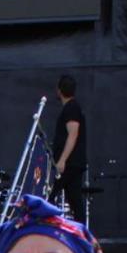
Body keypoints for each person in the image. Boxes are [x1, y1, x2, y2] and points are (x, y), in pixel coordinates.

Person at [51, 74, 87, 223]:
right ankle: (82, 236)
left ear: (59, 90)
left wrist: (62, 161)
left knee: (49, 194)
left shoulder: (71, 108)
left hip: (70, 164)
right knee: (75, 200)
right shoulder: (71, 108)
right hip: (72, 163)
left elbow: (73, 135)